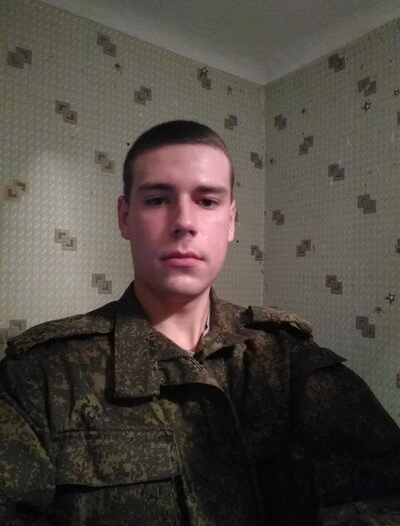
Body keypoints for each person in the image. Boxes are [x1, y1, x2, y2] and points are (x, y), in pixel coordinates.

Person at [0, 120, 399, 526]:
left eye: (207, 201)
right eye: (157, 199)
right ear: (125, 217)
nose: (184, 222)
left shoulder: (286, 357)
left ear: (231, 221)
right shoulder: (38, 376)